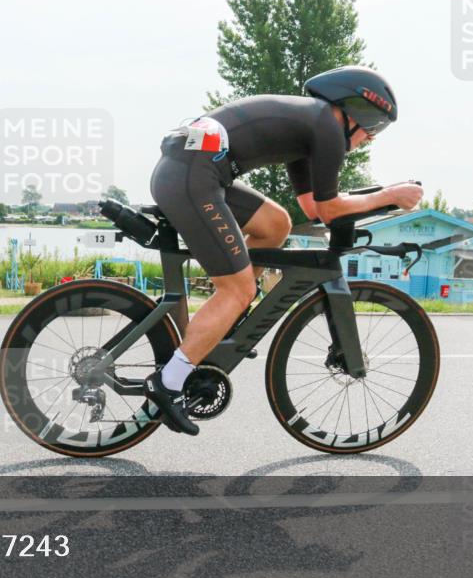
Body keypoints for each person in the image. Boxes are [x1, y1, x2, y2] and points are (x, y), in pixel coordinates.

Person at [142, 65, 423, 435]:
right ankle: (168, 383)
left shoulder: (310, 126)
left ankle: (226, 324)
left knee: (275, 224)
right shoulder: (326, 126)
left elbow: (312, 207)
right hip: (193, 176)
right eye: (374, 124)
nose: (372, 137)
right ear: (353, 110)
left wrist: (380, 199)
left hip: (191, 171)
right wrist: (389, 195)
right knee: (237, 288)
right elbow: (329, 210)